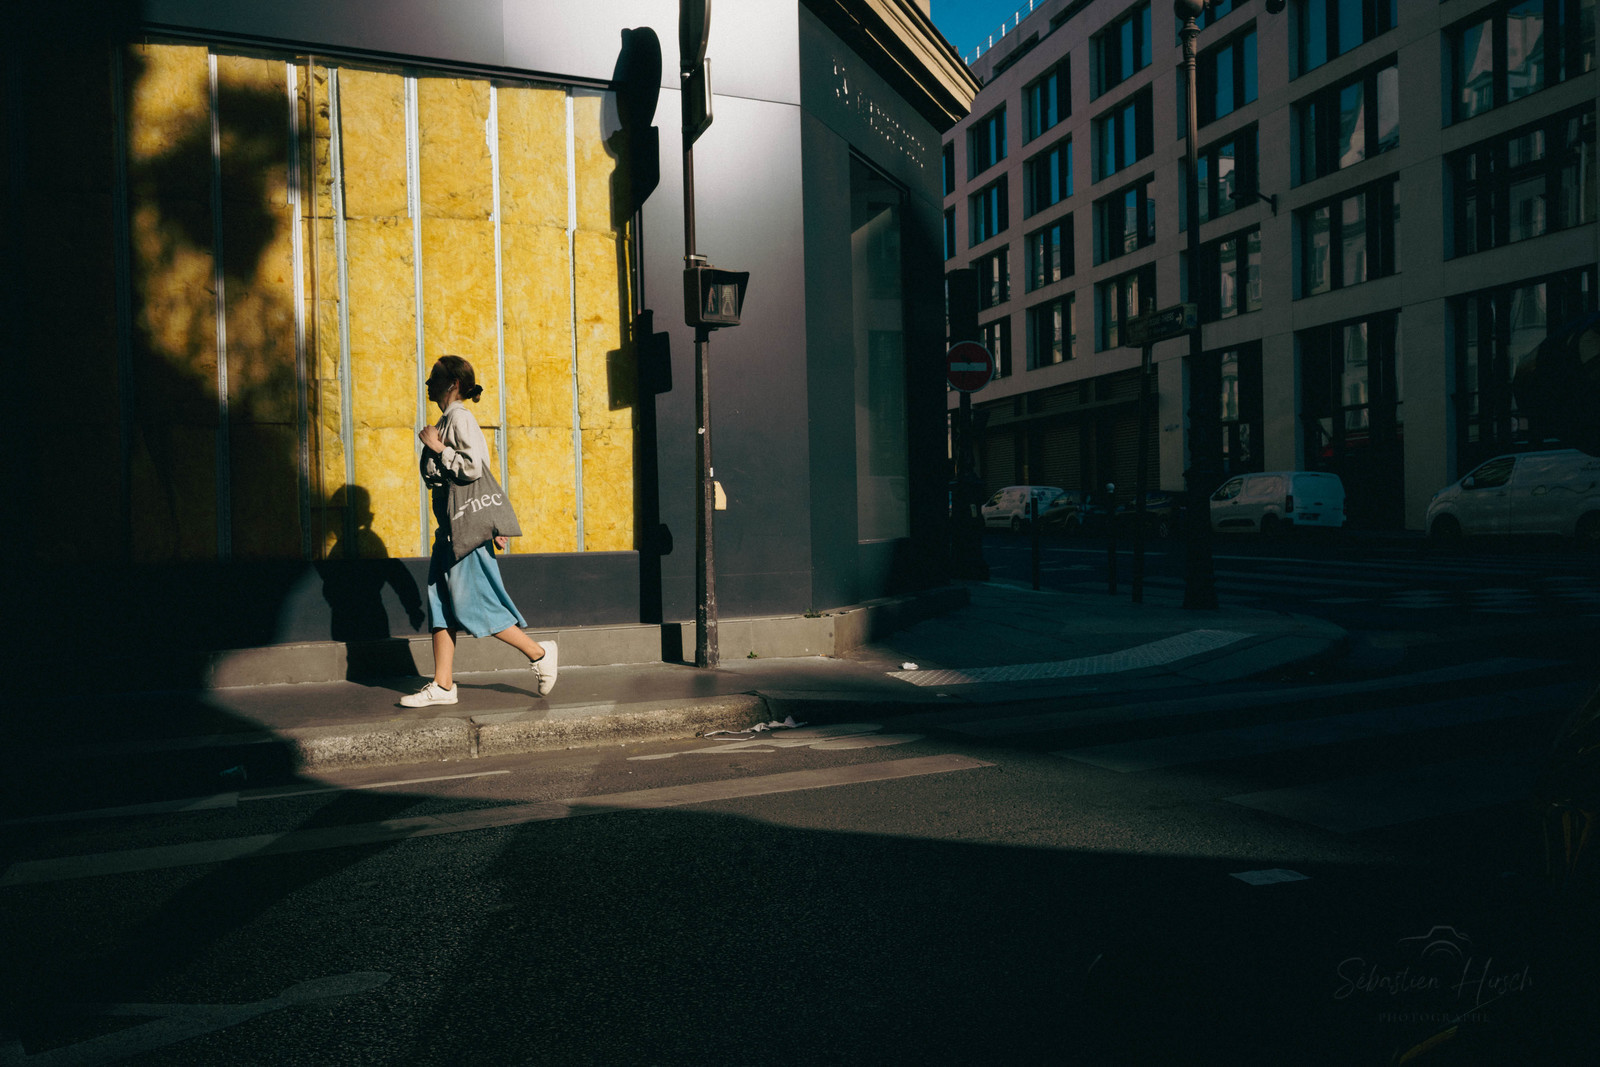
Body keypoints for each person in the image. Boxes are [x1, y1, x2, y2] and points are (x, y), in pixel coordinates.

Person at [400, 355, 557, 707]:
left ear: (452, 383)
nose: (427, 383)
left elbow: (473, 468)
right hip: (451, 531)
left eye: (434, 377)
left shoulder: (460, 418)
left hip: (463, 532)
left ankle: (539, 653)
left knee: (473, 606)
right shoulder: (446, 419)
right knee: (440, 605)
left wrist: (438, 449)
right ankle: (442, 686)